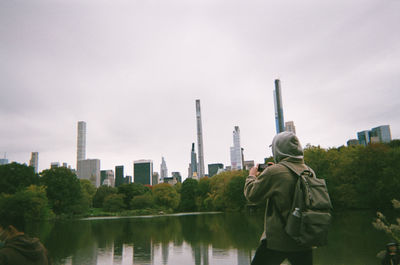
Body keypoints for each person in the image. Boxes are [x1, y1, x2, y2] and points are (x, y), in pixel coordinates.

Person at [244, 131, 313, 265]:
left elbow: (251, 195)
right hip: (304, 238)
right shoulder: (309, 170)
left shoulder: (274, 172)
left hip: (278, 240)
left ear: (278, 150)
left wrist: (252, 176)